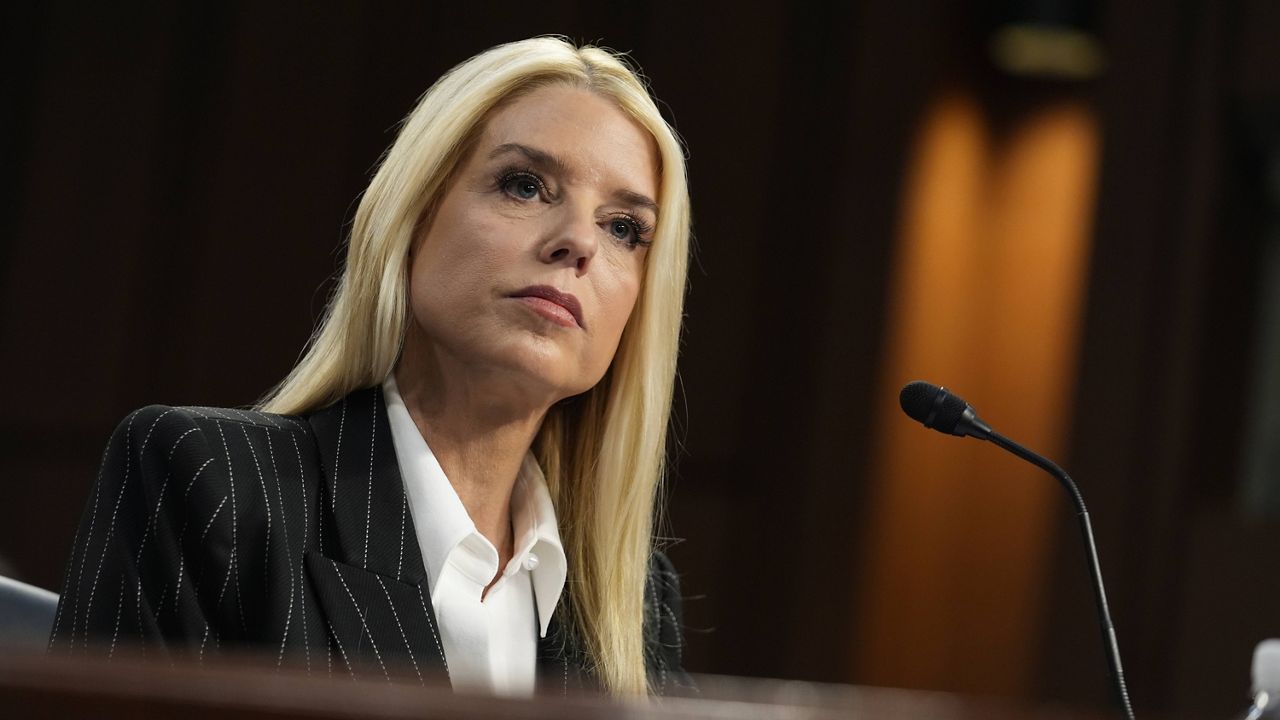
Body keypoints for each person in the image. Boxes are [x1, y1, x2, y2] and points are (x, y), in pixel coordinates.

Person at [48, 36, 692, 697]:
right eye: (525, 186)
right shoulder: (213, 486)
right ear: (412, 215)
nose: (579, 242)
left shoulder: (635, 603)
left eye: (624, 229)